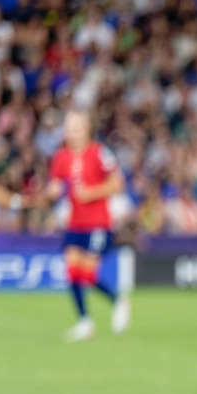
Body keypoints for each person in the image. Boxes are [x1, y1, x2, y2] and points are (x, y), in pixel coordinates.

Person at [46, 110, 131, 342]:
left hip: (98, 223)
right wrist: (51, 192)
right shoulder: (61, 156)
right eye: (68, 126)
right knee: (73, 273)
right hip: (75, 223)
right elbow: (54, 185)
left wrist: (92, 192)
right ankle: (85, 322)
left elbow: (118, 183)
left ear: (86, 129)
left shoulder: (99, 153)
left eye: (75, 126)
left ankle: (118, 300)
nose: (70, 131)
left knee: (87, 274)